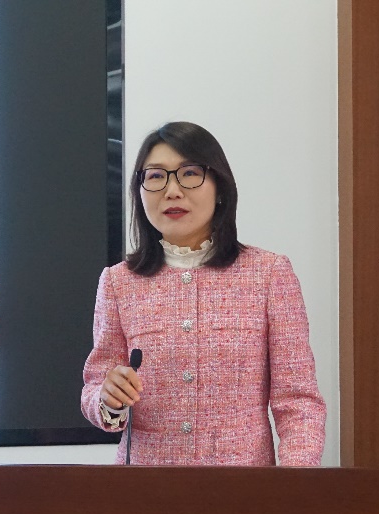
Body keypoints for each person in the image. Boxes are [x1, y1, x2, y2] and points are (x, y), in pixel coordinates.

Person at [81, 122, 326, 466]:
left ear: (220, 187)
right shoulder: (118, 282)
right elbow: (95, 388)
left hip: (243, 489)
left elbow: (298, 402)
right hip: (146, 489)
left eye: (190, 174)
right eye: (156, 176)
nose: (172, 191)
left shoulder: (269, 274)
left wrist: (293, 484)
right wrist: (107, 398)